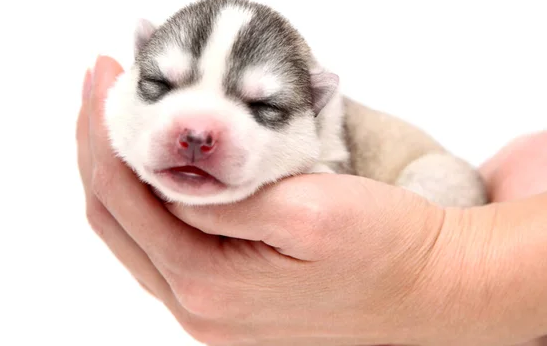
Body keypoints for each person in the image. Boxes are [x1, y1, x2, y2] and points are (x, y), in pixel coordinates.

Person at [76, 55, 547, 346]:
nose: (197, 133)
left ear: (315, 109)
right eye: (160, 85)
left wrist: (445, 263)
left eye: (263, 107)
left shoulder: (328, 151)